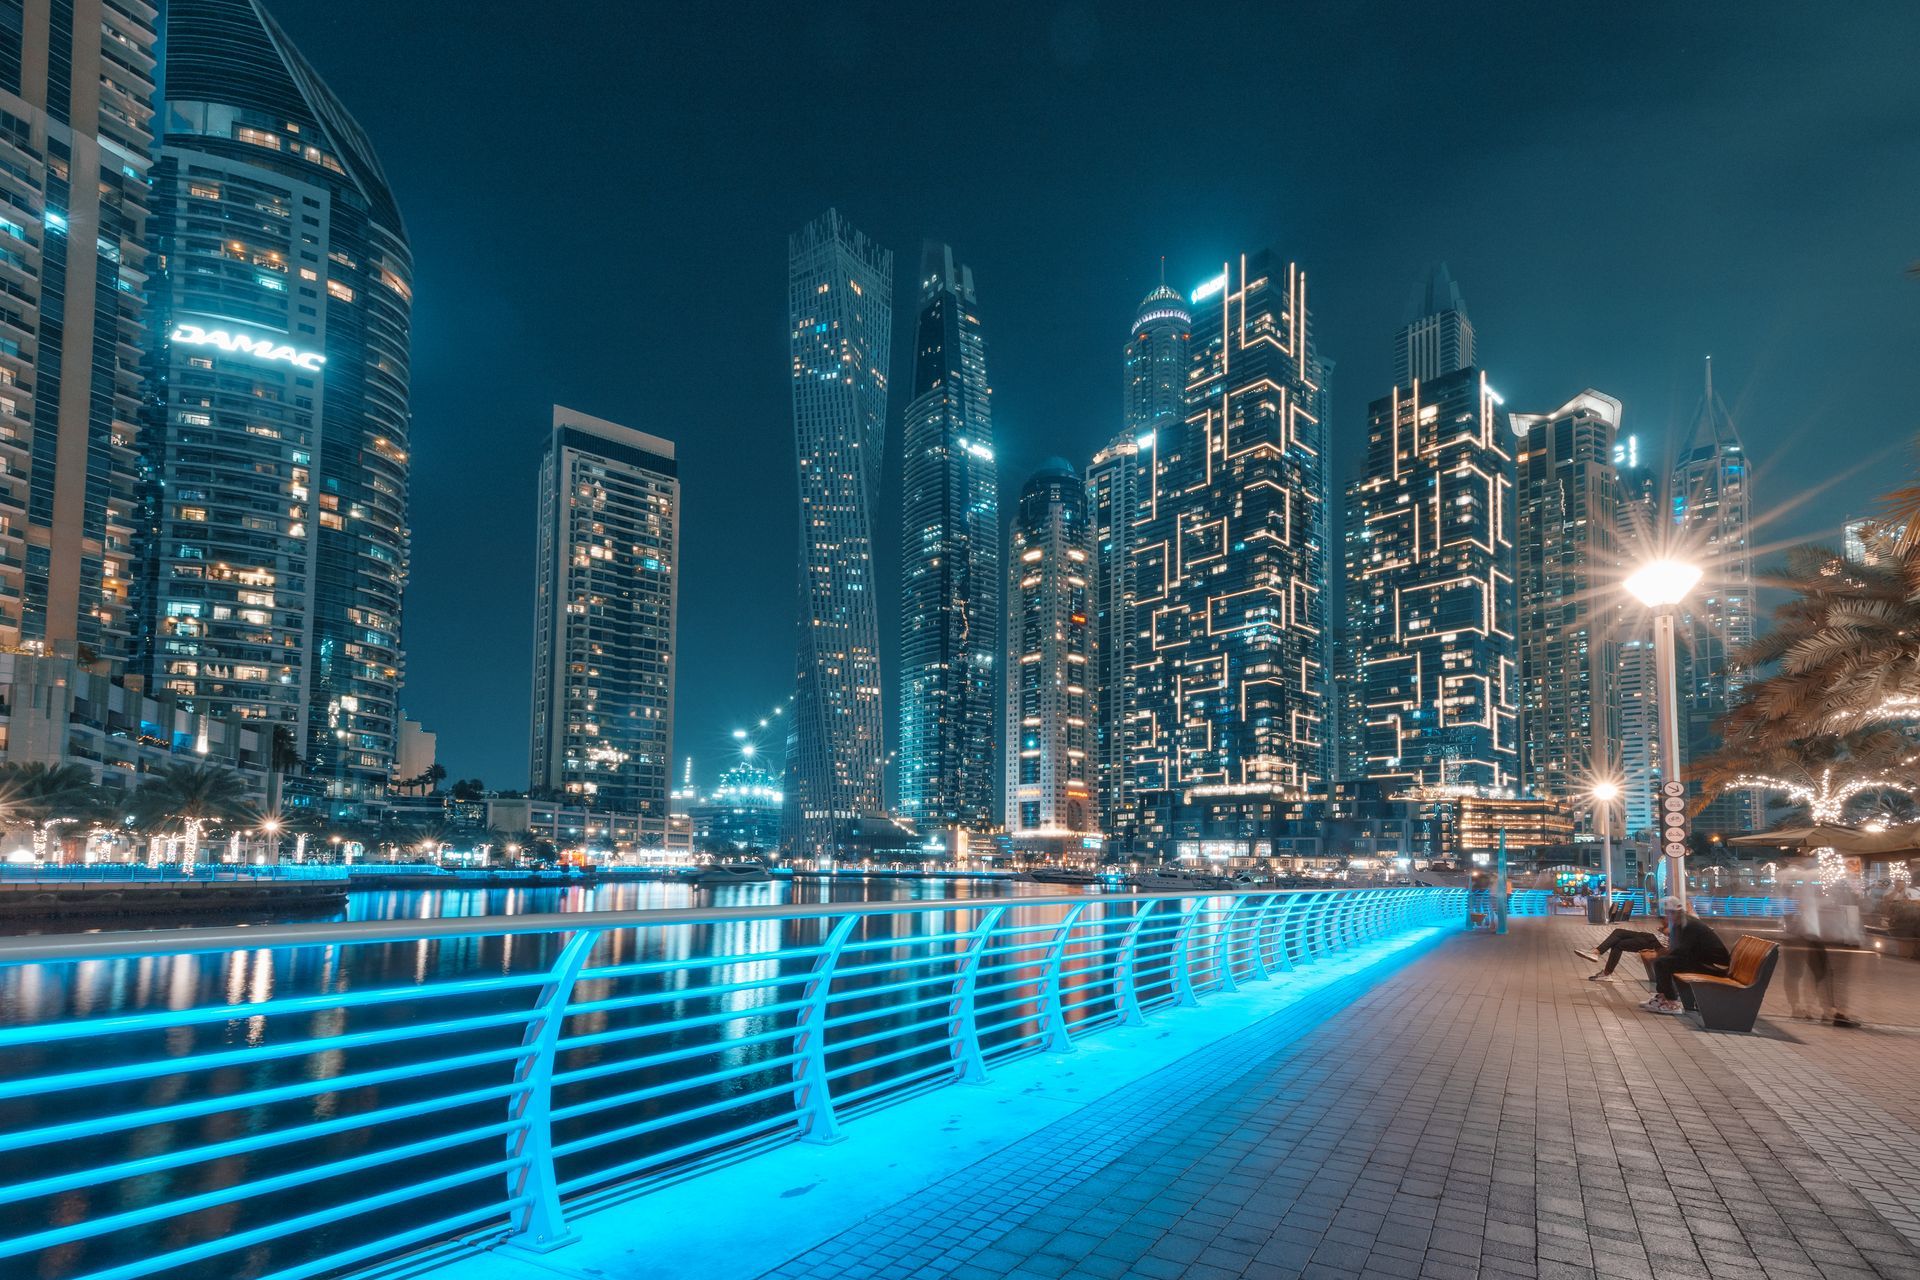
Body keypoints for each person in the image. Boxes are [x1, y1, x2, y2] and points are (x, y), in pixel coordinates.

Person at [1786, 877, 1863, 1027]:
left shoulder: (1817, 901)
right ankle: (1836, 1011)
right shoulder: (1830, 902)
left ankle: (1818, 1009)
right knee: (1834, 977)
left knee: (1819, 976)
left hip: (1816, 940)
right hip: (1833, 941)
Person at [1641, 897, 1730, 1015]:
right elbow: (1681, 950)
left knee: (1663, 963)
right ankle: (1663, 997)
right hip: (1704, 961)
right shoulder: (1682, 923)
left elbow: (1683, 951)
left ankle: (1672, 1002)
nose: (1663, 919)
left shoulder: (1689, 925)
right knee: (1663, 962)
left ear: (1673, 913)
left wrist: (1659, 956)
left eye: (1665, 915)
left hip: (1715, 967)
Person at [1574, 922, 1665, 981]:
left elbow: (1669, 936)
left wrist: (1665, 929)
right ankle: (1596, 953)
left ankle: (1605, 970)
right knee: (1618, 932)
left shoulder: (1677, 922)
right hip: (1652, 937)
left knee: (1618, 944)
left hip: (1655, 943)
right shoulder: (1675, 919)